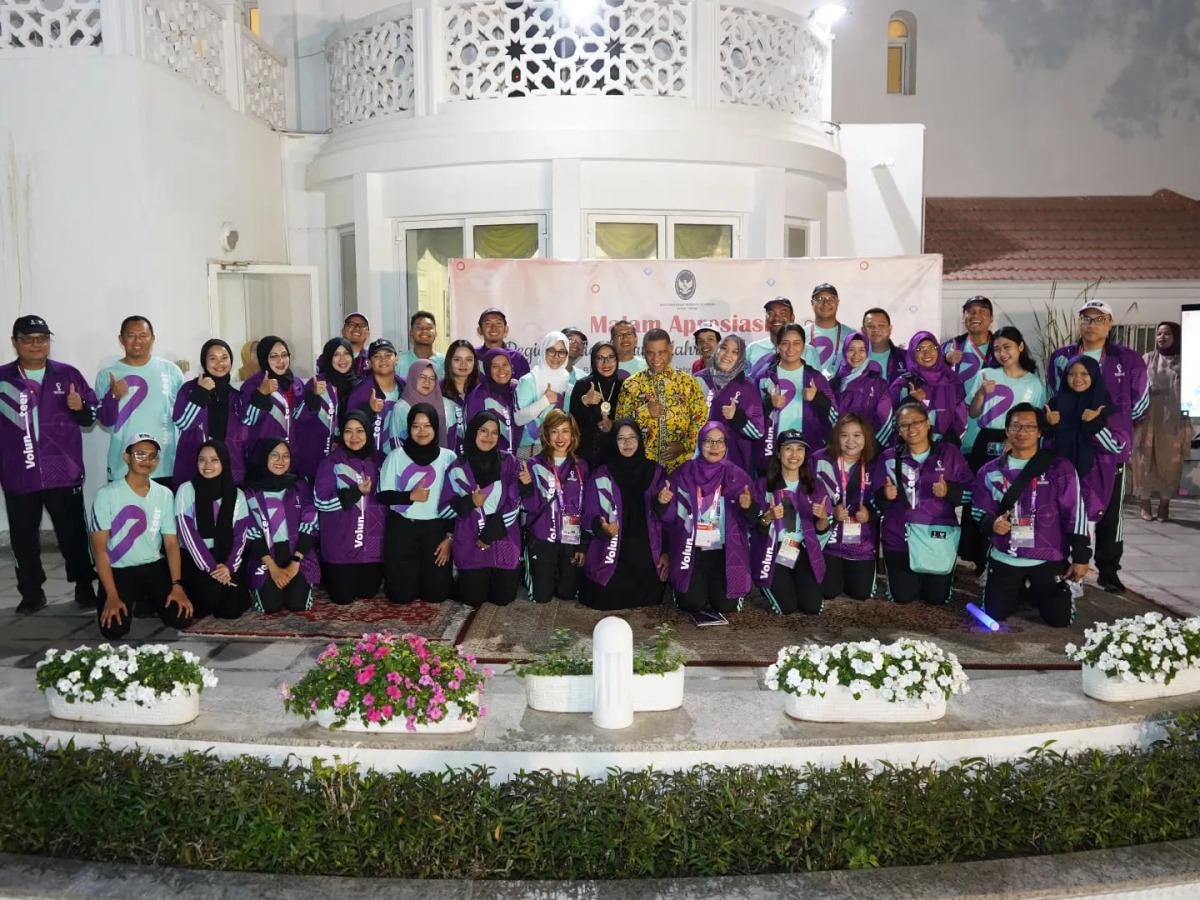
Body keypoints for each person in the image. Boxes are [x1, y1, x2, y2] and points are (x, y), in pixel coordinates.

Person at [1047, 299, 1149, 594]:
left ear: (1110, 324)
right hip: (1067, 443)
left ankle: (1108, 571)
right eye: (1086, 319)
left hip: (1107, 447)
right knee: (1064, 504)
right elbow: (1057, 391)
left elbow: (1140, 403)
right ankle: (1061, 563)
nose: (1091, 324)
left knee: (1109, 513)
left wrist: (1111, 424)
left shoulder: (1127, 358)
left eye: (1098, 319)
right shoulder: (1061, 356)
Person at [1, 315, 99, 612]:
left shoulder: (68, 375)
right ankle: (31, 593)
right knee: (23, 539)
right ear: (14, 342)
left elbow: (92, 414)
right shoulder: (3, 380)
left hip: (63, 472)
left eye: (42, 338)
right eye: (28, 339)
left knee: (74, 536)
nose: (36, 344)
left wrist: (80, 407)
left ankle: (84, 587)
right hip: (20, 473)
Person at [972, 404, 1091, 627]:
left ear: (1039, 432)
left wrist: (1081, 557)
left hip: (1047, 557)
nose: (1022, 431)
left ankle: (1035, 592)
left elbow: (1076, 513)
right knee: (993, 613)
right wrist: (992, 523)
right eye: (1016, 426)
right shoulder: (989, 471)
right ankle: (1019, 591)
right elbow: (979, 509)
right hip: (1006, 555)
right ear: (1007, 430)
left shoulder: (1060, 468)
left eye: (1029, 426)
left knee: (1059, 620)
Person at [960, 326, 1046, 573]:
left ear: (1020, 347)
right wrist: (981, 392)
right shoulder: (986, 374)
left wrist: (1018, 438)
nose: (1002, 352)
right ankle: (978, 558)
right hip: (986, 441)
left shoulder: (1035, 383)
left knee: (1016, 498)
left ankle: (1015, 554)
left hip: (1019, 441)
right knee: (983, 496)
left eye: (1007, 347)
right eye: (996, 348)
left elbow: (1036, 421)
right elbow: (973, 412)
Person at [91, 434, 193, 639]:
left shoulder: (164, 494)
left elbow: (171, 543)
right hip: (119, 570)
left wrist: (177, 586)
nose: (147, 460)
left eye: (152, 456)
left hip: (153, 567)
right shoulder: (106, 494)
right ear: (126, 457)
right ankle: (132, 600)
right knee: (114, 630)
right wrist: (111, 595)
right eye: (140, 454)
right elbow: (99, 549)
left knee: (181, 619)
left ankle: (145, 601)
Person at [657, 422, 761, 616]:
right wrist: (662, 502)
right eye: (709, 441)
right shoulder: (683, 473)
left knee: (726, 606)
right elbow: (668, 519)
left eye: (720, 442)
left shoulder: (738, 477)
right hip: (691, 549)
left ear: (726, 445)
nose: (714, 447)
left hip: (725, 550)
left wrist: (749, 507)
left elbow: (754, 521)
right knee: (691, 603)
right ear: (699, 443)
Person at [877, 401, 973, 605]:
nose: (911, 429)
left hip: (937, 536)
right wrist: (884, 495)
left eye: (916, 422)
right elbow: (872, 499)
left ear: (928, 423)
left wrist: (950, 491)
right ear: (898, 430)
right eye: (904, 425)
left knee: (936, 598)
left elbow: (972, 492)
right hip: (899, 539)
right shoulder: (887, 457)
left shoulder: (949, 453)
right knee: (903, 597)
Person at [579, 420, 669, 610]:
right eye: (621, 439)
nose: (627, 443)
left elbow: (668, 519)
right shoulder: (601, 474)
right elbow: (590, 512)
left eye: (632, 438)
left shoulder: (657, 472)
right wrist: (600, 526)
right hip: (611, 547)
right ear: (613, 442)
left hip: (647, 549)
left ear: (640, 440)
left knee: (651, 597)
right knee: (604, 599)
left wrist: (661, 502)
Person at [440, 411, 523, 607]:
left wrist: (490, 534)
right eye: (483, 431)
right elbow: (444, 508)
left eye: (494, 432)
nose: (489, 437)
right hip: (470, 543)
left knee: (504, 599)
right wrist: (470, 502)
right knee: (472, 600)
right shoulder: (457, 467)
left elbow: (515, 502)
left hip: (502, 536)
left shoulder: (509, 462)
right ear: (473, 433)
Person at [377, 403, 457, 605]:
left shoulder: (449, 458)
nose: (422, 432)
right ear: (408, 428)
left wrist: (449, 538)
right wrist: (409, 496)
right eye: (416, 426)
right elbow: (383, 496)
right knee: (400, 596)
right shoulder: (395, 456)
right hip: (403, 528)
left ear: (436, 428)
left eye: (427, 426)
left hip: (436, 530)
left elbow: (457, 502)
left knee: (436, 595)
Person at [95, 315, 184, 484]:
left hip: (164, 465)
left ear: (152, 339)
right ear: (121, 339)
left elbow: (183, 417)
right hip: (123, 468)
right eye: (131, 336)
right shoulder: (107, 375)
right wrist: (113, 396)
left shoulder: (171, 371)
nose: (137, 341)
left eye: (143, 336)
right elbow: (104, 421)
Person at [753, 430, 830, 615]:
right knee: (786, 607)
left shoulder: (814, 485)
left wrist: (823, 518)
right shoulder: (764, 485)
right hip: (773, 550)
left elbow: (822, 530)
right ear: (779, 453)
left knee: (812, 607)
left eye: (800, 449)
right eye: (788, 449)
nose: (794, 455)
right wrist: (768, 517)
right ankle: (767, 583)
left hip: (801, 549)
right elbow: (754, 528)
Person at [174, 439, 252, 619]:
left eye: (214, 460)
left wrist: (229, 567)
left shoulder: (236, 494)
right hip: (196, 559)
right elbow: (187, 535)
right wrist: (211, 567)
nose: (207, 465)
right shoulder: (186, 491)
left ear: (224, 462)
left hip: (226, 557)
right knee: (205, 603)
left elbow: (241, 535)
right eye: (202, 459)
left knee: (231, 611)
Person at [1046, 356, 1128, 526]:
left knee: (1086, 531)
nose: (1077, 379)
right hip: (1060, 477)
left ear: (1094, 375)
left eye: (1084, 374)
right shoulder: (1055, 404)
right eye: (1072, 374)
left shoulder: (1105, 406)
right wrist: (1048, 425)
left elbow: (1117, 446)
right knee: (1059, 527)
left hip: (1093, 476)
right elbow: (1044, 446)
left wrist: (1095, 425)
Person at [314, 412, 385, 605]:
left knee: (368, 593)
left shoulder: (380, 460)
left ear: (368, 432)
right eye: (348, 431)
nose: (354, 437)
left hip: (372, 545)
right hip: (341, 545)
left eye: (360, 431)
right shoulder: (332, 462)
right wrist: (354, 493)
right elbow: (321, 501)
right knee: (342, 597)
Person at [812, 414, 885, 600]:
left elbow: (883, 500)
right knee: (827, 591)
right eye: (844, 435)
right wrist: (830, 511)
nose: (850, 441)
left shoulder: (876, 462)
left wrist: (870, 512)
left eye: (857, 435)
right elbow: (808, 495)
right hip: (829, 541)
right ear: (837, 437)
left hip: (861, 543)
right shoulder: (820, 459)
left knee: (862, 593)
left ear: (866, 437)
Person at [614, 328, 707, 472]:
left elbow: (700, 420)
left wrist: (684, 445)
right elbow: (620, 426)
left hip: (682, 467)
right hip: (643, 469)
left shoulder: (688, 382)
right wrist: (645, 412)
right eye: (650, 353)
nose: (656, 359)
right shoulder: (631, 384)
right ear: (643, 351)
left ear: (671, 349)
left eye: (662, 352)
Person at [243, 439, 320, 612]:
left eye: (285, 456)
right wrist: (273, 567)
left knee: (298, 604)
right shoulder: (250, 492)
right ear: (264, 458)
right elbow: (251, 532)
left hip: (297, 554)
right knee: (270, 606)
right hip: (266, 556)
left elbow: (310, 523)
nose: (280, 460)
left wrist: (295, 562)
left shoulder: (300, 486)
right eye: (274, 455)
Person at [522, 410, 590, 604]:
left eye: (565, 431)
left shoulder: (582, 467)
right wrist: (526, 486)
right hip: (543, 539)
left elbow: (586, 507)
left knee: (567, 594)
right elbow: (530, 507)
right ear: (546, 435)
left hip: (571, 538)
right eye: (554, 431)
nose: (560, 438)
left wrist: (582, 545)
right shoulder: (534, 465)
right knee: (541, 597)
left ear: (573, 435)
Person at [753, 323, 837, 473]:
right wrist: (769, 404)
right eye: (785, 343)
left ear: (804, 346)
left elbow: (835, 418)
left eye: (796, 343)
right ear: (778, 346)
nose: (790, 348)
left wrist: (817, 398)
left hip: (808, 453)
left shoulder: (816, 378)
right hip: (772, 454)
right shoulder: (764, 377)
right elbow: (752, 418)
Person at [173, 339, 249, 486]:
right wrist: (200, 394)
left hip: (229, 469)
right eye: (213, 358)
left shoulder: (235, 395)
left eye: (224, 358)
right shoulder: (189, 389)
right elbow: (182, 423)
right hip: (195, 465)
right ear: (204, 361)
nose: (220, 363)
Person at [1134, 321, 1189, 522]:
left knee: (1170, 460)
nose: (1162, 337)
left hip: (1172, 416)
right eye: (1159, 333)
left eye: (1167, 333)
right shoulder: (1147, 359)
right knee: (1143, 458)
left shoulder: (1186, 362)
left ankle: (1165, 504)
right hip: (1147, 415)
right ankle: (1145, 502)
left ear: (1176, 337)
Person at [695, 335, 765, 475]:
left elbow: (758, 431)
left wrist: (737, 417)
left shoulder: (747, 386)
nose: (727, 354)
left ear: (741, 358)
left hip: (736, 468)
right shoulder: (698, 380)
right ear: (717, 350)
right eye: (724, 348)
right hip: (700, 466)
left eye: (735, 352)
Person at [889, 331, 967, 446]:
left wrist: (948, 445)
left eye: (932, 347)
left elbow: (961, 418)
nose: (927, 353)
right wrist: (909, 400)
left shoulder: (952, 380)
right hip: (911, 448)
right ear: (911, 353)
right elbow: (891, 418)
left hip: (945, 448)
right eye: (920, 349)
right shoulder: (902, 384)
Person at [240, 335, 305, 466]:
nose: (281, 360)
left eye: (284, 354)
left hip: (292, 454)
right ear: (263, 358)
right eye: (273, 356)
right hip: (265, 457)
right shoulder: (253, 385)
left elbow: (300, 417)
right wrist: (261, 394)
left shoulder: (295, 382)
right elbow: (247, 420)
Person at [515, 331, 577, 457]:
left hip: (559, 449)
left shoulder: (567, 382)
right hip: (531, 449)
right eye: (551, 350)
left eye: (562, 352)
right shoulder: (529, 380)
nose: (556, 356)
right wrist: (545, 401)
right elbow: (518, 419)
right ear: (544, 350)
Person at [829, 331, 893, 444]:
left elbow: (883, 417)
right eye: (851, 349)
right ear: (844, 352)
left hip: (871, 448)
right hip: (840, 446)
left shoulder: (879, 384)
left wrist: (866, 443)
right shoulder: (834, 385)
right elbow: (829, 418)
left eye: (861, 350)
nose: (856, 355)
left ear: (868, 352)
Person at [569, 341, 624, 466]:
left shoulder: (624, 386)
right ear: (594, 361)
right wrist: (585, 402)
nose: (606, 363)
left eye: (611, 357)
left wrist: (613, 426)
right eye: (600, 358)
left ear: (617, 360)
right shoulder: (583, 385)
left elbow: (631, 421)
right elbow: (572, 422)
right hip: (585, 456)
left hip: (615, 455)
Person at [347, 338, 405, 451]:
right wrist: (368, 409)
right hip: (372, 459)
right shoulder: (361, 391)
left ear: (396, 358)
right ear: (369, 362)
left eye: (388, 355)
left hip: (402, 458)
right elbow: (349, 427)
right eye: (377, 356)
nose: (383, 360)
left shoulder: (406, 385)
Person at [384, 359, 447, 452]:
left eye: (432, 378)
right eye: (422, 377)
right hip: (409, 462)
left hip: (438, 462)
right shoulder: (401, 408)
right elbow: (396, 442)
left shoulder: (440, 404)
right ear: (413, 377)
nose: (427, 382)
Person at [465, 348, 519, 453]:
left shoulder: (516, 390)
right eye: (495, 366)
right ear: (487, 369)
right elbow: (473, 434)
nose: (501, 370)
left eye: (505, 365)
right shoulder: (479, 395)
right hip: (488, 460)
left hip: (513, 461)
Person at [942, 296, 997, 387]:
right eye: (970, 311)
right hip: (956, 401)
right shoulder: (950, 346)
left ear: (991, 318)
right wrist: (945, 360)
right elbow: (928, 371)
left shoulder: (1001, 347)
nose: (975, 315)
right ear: (963, 318)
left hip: (991, 400)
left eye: (982, 311)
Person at [803, 283, 852, 378]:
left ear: (837, 302)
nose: (825, 303)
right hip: (808, 390)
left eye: (831, 299)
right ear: (812, 303)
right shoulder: (800, 335)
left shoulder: (851, 335)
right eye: (819, 299)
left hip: (840, 391)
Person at [441, 339, 479, 455]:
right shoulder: (437, 390)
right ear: (449, 361)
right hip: (446, 459)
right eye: (457, 360)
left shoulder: (480, 391)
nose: (463, 364)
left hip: (474, 460)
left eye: (469, 360)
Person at [476, 308, 531, 380]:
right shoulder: (473, 357)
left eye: (498, 323)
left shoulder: (517, 358)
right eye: (488, 324)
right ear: (480, 330)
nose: (493, 327)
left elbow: (526, 387)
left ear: (506, 329)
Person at [747, 298, 794, 369]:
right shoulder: (752, 349)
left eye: (783, 314)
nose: (777, 318)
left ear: (792, 318)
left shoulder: (807, 351)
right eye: (771, 313)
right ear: (766, 319)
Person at [861, 308, 907, 381]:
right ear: (863, 330)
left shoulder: (906, 357)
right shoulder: (853, 358)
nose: (875, 329)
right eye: (870, 326)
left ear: (890, 329)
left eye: (881, 325)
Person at [396, 310, 445, 375]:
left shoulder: (445, 362)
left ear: (436, 333)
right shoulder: (399, 362)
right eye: (419, 327)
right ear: (411, 333)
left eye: (429, 327)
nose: (424, 330)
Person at [340, 313, 372, 377]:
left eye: (362, 325)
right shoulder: (331, 356)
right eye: (351, 324)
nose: (357, 328)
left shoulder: (373, 357)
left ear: (368, 333)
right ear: (343, 331)